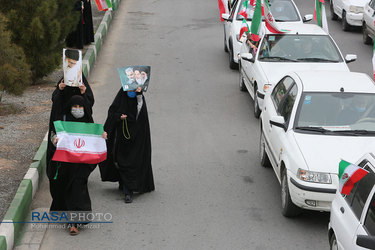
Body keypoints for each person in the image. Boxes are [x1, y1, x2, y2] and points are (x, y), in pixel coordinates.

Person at [49, 95, 103, 235]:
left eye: (80, 107)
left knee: (78, 190)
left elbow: (95, 139)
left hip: (82, 165)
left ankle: (75, 222)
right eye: (75, 107)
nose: (78, 110)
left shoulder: (88, 123)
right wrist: (55, 140)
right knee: (69, 190)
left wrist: (102, 136)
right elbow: (54, 135)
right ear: (69, 107)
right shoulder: (64, 120)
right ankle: (73, 222)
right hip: (66, 164)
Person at [100, 87, 155, 203]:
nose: (131, 92)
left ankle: (128, 189)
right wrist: (118, 117)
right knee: (121, 161)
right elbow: (112, 113)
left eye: (134, 90)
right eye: (129, 90)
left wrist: (139, 94)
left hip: (136, 141)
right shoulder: (120, 99)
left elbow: (141, 116)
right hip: (121, 140)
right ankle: (125, 186)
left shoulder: (139, 100)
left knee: (133, 162)